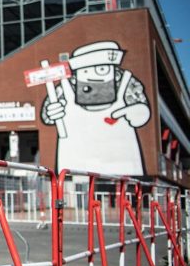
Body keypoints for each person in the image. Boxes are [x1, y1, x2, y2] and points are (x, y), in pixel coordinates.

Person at [41, 41, 150, 175]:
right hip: (74, 163)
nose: (93, 77)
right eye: (85, 70)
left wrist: (139, 113)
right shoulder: (65, 88)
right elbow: (47, 116)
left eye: (102, 70)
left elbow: (141, 110)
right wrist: (52, 112)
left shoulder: (126, 83)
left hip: (123, 167)